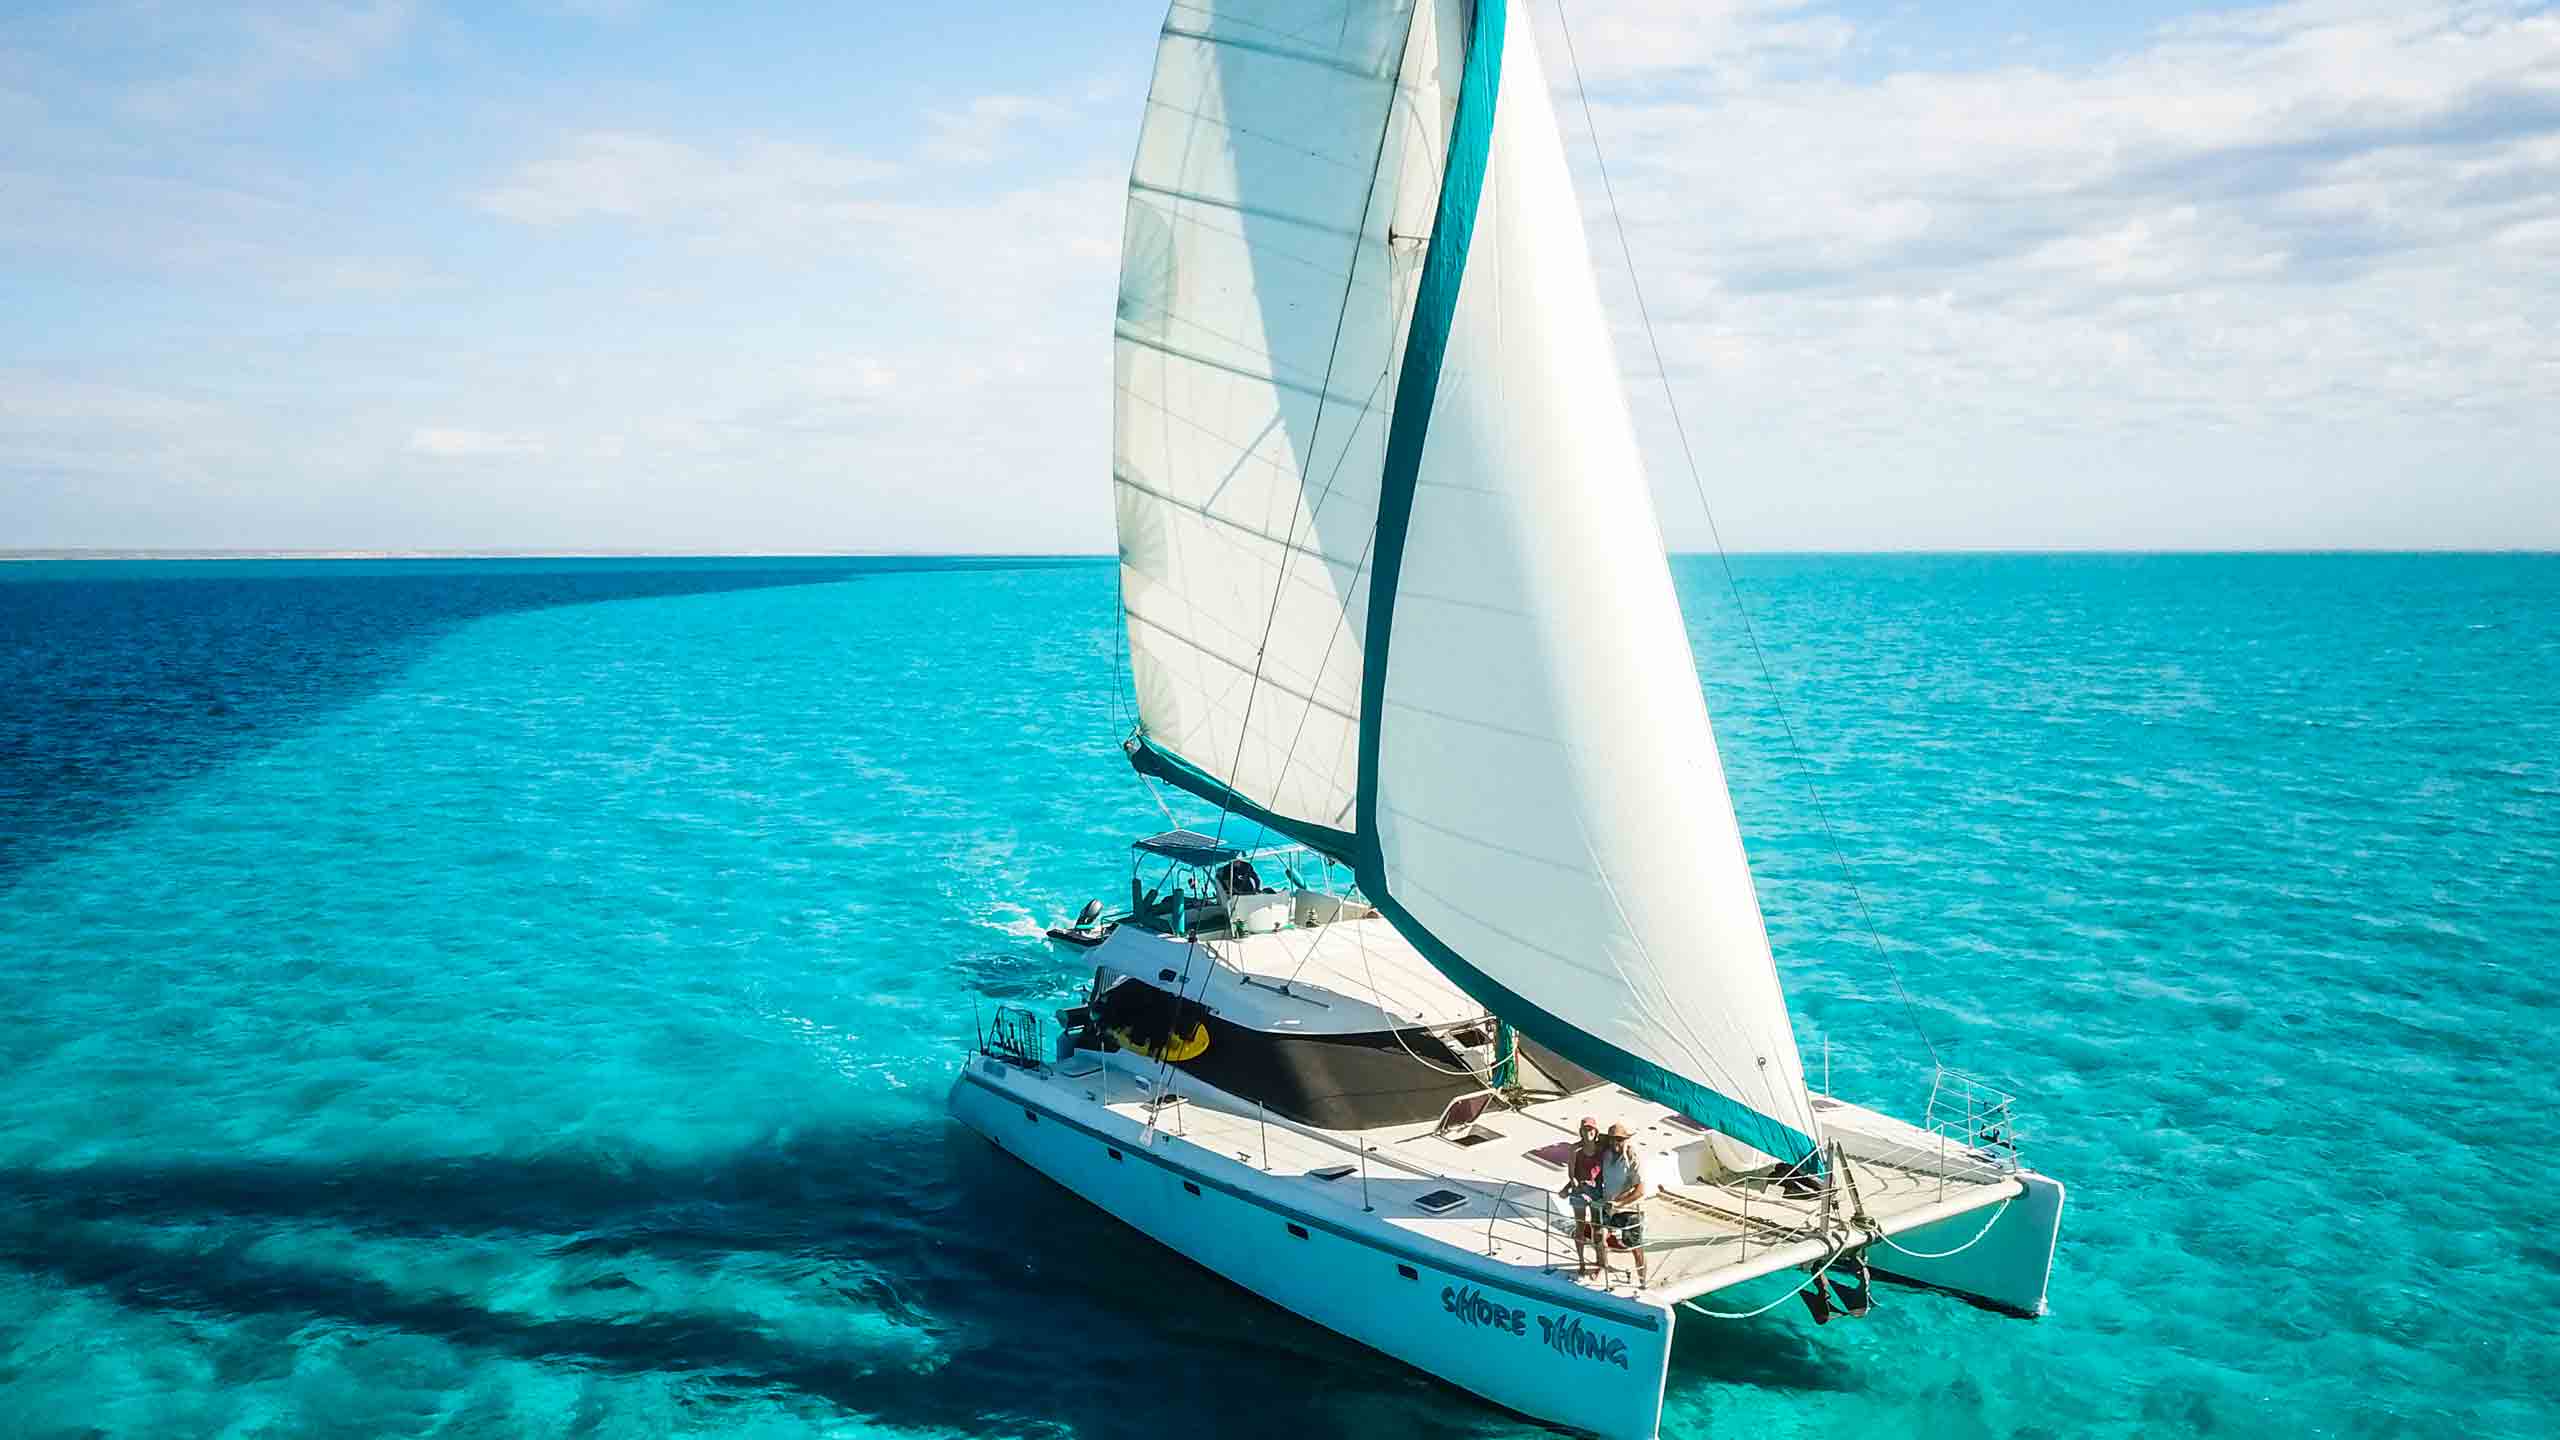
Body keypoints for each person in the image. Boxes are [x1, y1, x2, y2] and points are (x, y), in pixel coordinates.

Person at [1599, 1122, 1653, 1290]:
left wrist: (1619, 1203)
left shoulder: (1632, 1157)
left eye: (1619, 1139)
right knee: (1600, 1238)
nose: (1615, 1143)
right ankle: (1603, 1272)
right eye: (1612, 1139)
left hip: (1630, 1210)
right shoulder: (1606, 1154)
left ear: (1625, 1140)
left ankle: (1643, 1282)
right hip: (1609, 1206)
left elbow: (1640, 1191)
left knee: (1635, 1247)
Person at [1555, 1117, 1606, 1278]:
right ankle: (1582, 1263)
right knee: (1580, 1228)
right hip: (1579, 1191)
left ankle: (1600, 1264)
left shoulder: (1601, 1150)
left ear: (1596, 1131)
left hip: (1596, 1192)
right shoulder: (1575, 1149)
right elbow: (1572, 1174)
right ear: (1580, 1132)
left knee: (1597, 1229)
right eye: (1585, 1129)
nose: (1587, 1132)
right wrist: (1575, 1186)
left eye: (1590, 1129)